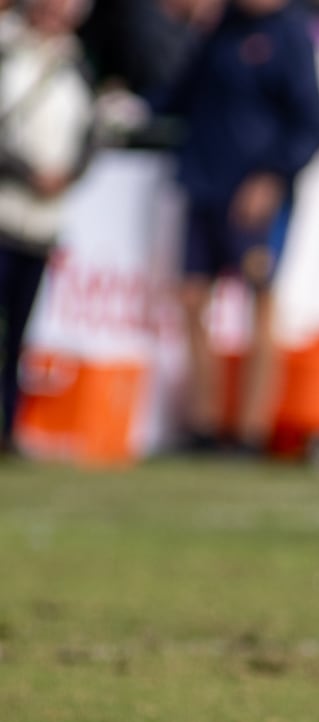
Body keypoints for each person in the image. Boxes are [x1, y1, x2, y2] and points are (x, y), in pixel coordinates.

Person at [155, 0, 319, 454]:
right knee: (192, 298)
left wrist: (273, 175)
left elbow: (312, 124)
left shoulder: (290, 33)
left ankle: (252, 430)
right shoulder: (221, 28)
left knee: (260, 304)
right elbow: (181, 94)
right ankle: (205, 423)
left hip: (254, 195)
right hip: (205, 182)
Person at [0, 0, 96, 459]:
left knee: (19, 330)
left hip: (43, 221)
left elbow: (88, 133)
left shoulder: (76, 63)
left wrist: (69, 173)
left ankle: (7, 424)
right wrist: (26, 172)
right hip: (5, 206)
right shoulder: (8, 51)